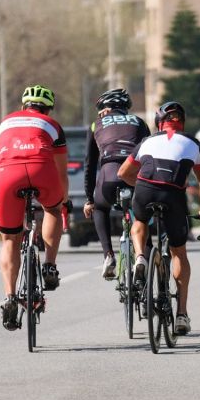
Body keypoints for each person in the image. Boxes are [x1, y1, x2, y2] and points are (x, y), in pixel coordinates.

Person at [117, 101, 200, 336]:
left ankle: (140, 257)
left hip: (146, 188)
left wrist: (138, 185)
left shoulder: (147, 141)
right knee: (179, 252)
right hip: (174, 195)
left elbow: (123, 172)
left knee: (139, 223)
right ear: (182, 123)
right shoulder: (193, 142)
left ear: (159, 123)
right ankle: (181, 314)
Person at [0, 85, 69, 331]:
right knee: (52, 210)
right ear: (47, 108)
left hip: (8, 175)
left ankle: (9, 296)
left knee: (9, 239)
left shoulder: (5, 123)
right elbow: (60, 170)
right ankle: (49, 264)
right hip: (41, 169)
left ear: (23, 106)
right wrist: (62, 202)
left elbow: (0, 159)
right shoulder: (52, 124)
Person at [83, 88, 150, 279]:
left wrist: (90, 199)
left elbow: (90, 165)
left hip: (108, 175)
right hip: (134, 174)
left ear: (106, 109)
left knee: (100, 209)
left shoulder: (96, 125)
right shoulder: (139, 122)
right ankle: (142, 255)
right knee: (142, 217)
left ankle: (108, 256)